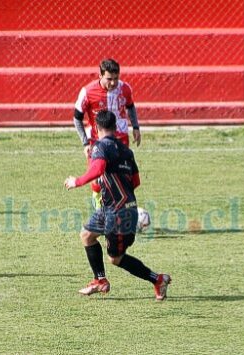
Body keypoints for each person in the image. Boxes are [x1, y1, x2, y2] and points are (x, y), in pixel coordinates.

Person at [65, 110, 170, 300]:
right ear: (115, 127)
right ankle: (100, 280)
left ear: (96, 128)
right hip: (112, 209)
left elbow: (97, 169)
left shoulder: (100, 146)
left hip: (118, 214)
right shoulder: (126, 151)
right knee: (87, 235)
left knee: (116, 258)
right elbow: (136, 181)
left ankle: (157, 279)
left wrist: (77, 181)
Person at [73, 58, 141, 210]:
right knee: (97, 179)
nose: (113, 83)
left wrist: (136, 127)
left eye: (116, 79)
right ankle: (99, 208)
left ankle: (123, 209)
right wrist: (85, 143)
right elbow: (77, 118)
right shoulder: (88, 92)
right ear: (100, 76)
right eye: (109, 79)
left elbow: (130, 106)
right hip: (97, 142)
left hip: (121, 140)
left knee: (123, 177)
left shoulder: (125, 88)